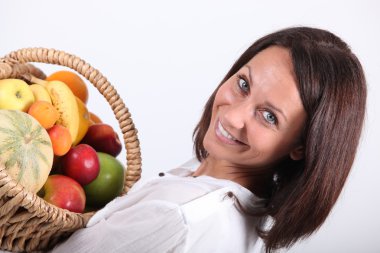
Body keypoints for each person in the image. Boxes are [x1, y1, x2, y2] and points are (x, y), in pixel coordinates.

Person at [51, 26, 367, 253]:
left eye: (269, 116)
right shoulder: (233, 197)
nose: (231, 117)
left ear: (302, 146)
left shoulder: (179, 216)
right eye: (244, 83)